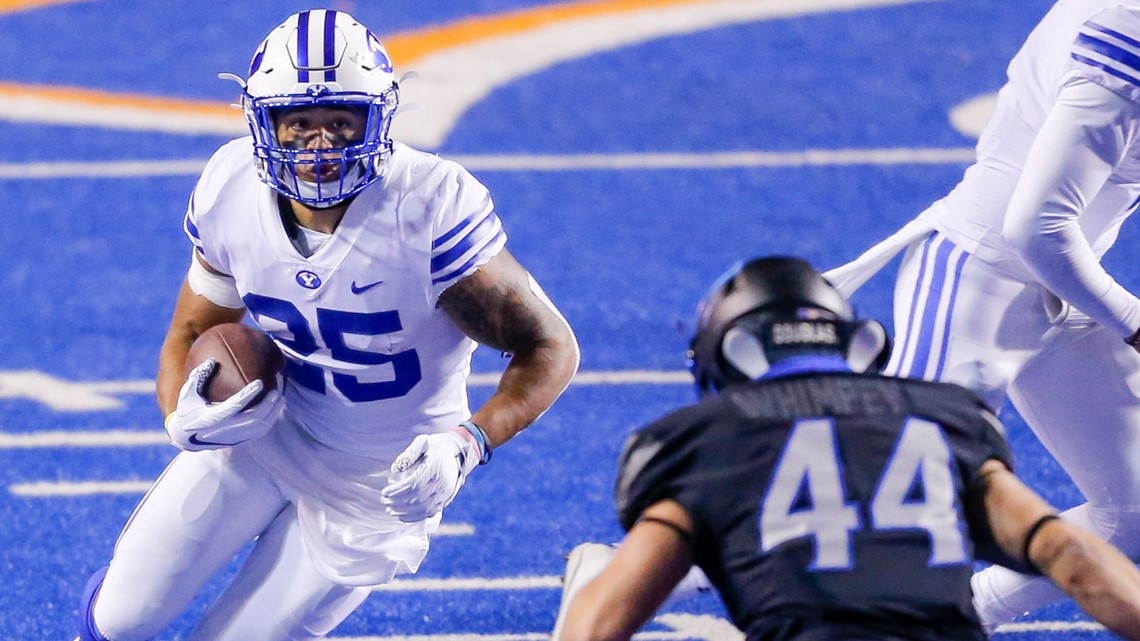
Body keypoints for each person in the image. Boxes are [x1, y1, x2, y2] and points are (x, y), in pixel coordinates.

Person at [75, 9, 579, 641]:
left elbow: (550, 345)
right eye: (300, 124)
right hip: (265, 436)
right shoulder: (232, 186)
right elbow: (191, 329)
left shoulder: (428, 207)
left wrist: (468, 442)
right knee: (120, 621)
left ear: (378, 119)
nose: (320, 146)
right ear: (265, 124)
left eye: (342, 122)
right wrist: (182, 413)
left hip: (379, 485)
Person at [557, 256, 1140, 641]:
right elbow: (1069, 553)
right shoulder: (945, 420)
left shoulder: (701, 443)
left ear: (731, 351)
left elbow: (604, 612)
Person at [818, 0, 1140, 629]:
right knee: (876, 506)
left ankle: (965, 617)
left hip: (1064, 285)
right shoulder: (1128, 28)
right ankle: (646, 573)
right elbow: (1037, 226)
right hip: (980, 282)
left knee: (1133, 510)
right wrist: (1134, 320)